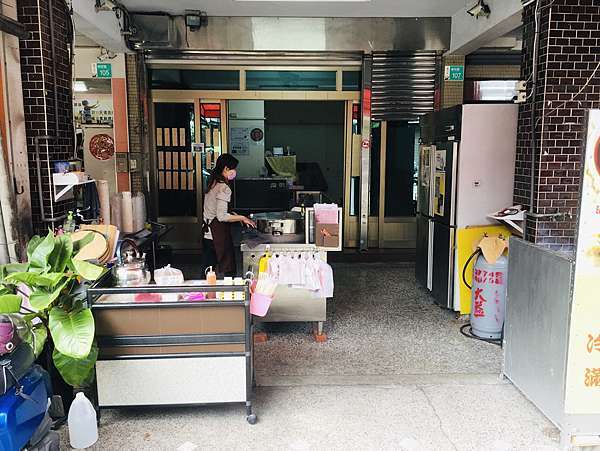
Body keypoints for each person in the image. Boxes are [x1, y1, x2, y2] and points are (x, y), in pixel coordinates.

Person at [202, 154, 255, 276]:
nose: (234, 171)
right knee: (228, 269)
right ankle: (229, 293)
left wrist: (233, 214)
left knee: (207, 270)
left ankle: (204, 293)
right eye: (233, 168)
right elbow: (221, 216)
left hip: (207, 233)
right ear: (226, 168)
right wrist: (243, 217)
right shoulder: (224, 187)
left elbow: (214, 208)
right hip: (217, 235)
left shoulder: (213, 182)